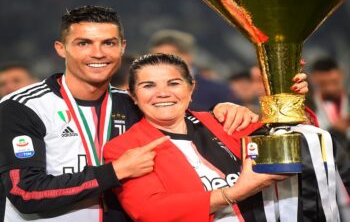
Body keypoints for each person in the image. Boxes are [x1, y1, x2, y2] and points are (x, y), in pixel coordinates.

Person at [0, 5, 262, 222]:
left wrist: (224, 110)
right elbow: (25, 192)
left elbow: (184, 119)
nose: (98, 53)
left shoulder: (132, 103)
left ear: (122, 47)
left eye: (108, 43)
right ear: (60, 48)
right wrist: (113, 172)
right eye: (84, 43)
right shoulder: (23, 107)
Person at [103, 53, 341, 221]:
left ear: (191, 88)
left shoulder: (224, 120)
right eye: (148, 86)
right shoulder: (123, 148)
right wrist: (235, 193)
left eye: (174, 83)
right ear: (132, 95)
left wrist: (288, 100)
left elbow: (294, 145)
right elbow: (150, 212)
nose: (162, 93)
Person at [148, 29, 242, 110]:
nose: (162, 61)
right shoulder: (146, 92)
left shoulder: (219, 91)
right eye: (156, 57)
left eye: (169, 56)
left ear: (188, 56)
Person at [309, 57, 350, 149]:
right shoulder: (309, 107)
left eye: (334, 82)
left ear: (341, 75)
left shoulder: (348, 101)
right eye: (323, 84)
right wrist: (335, 130)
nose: (330, 88)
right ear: (313, 79)